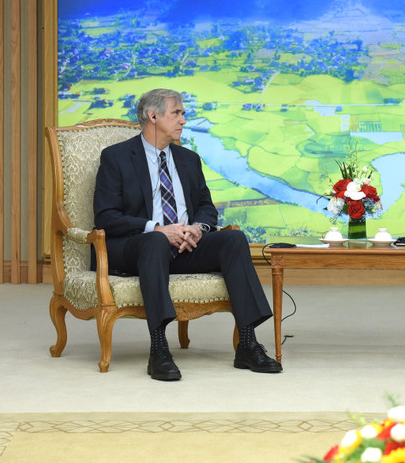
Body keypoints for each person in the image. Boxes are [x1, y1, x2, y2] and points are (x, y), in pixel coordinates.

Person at [93, 88, 282, 380]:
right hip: (138, 247)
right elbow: (106, 216)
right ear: (153, 116)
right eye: (177, 113)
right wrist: (156, 229)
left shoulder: (188, 159)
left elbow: (206, 207)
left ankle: (247, 343)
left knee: (233, 239)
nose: (184, 118)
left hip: (185, 246)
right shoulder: (117, 158)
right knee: (156, 241)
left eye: (183, 112)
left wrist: (198, 228)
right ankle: (159, 350)